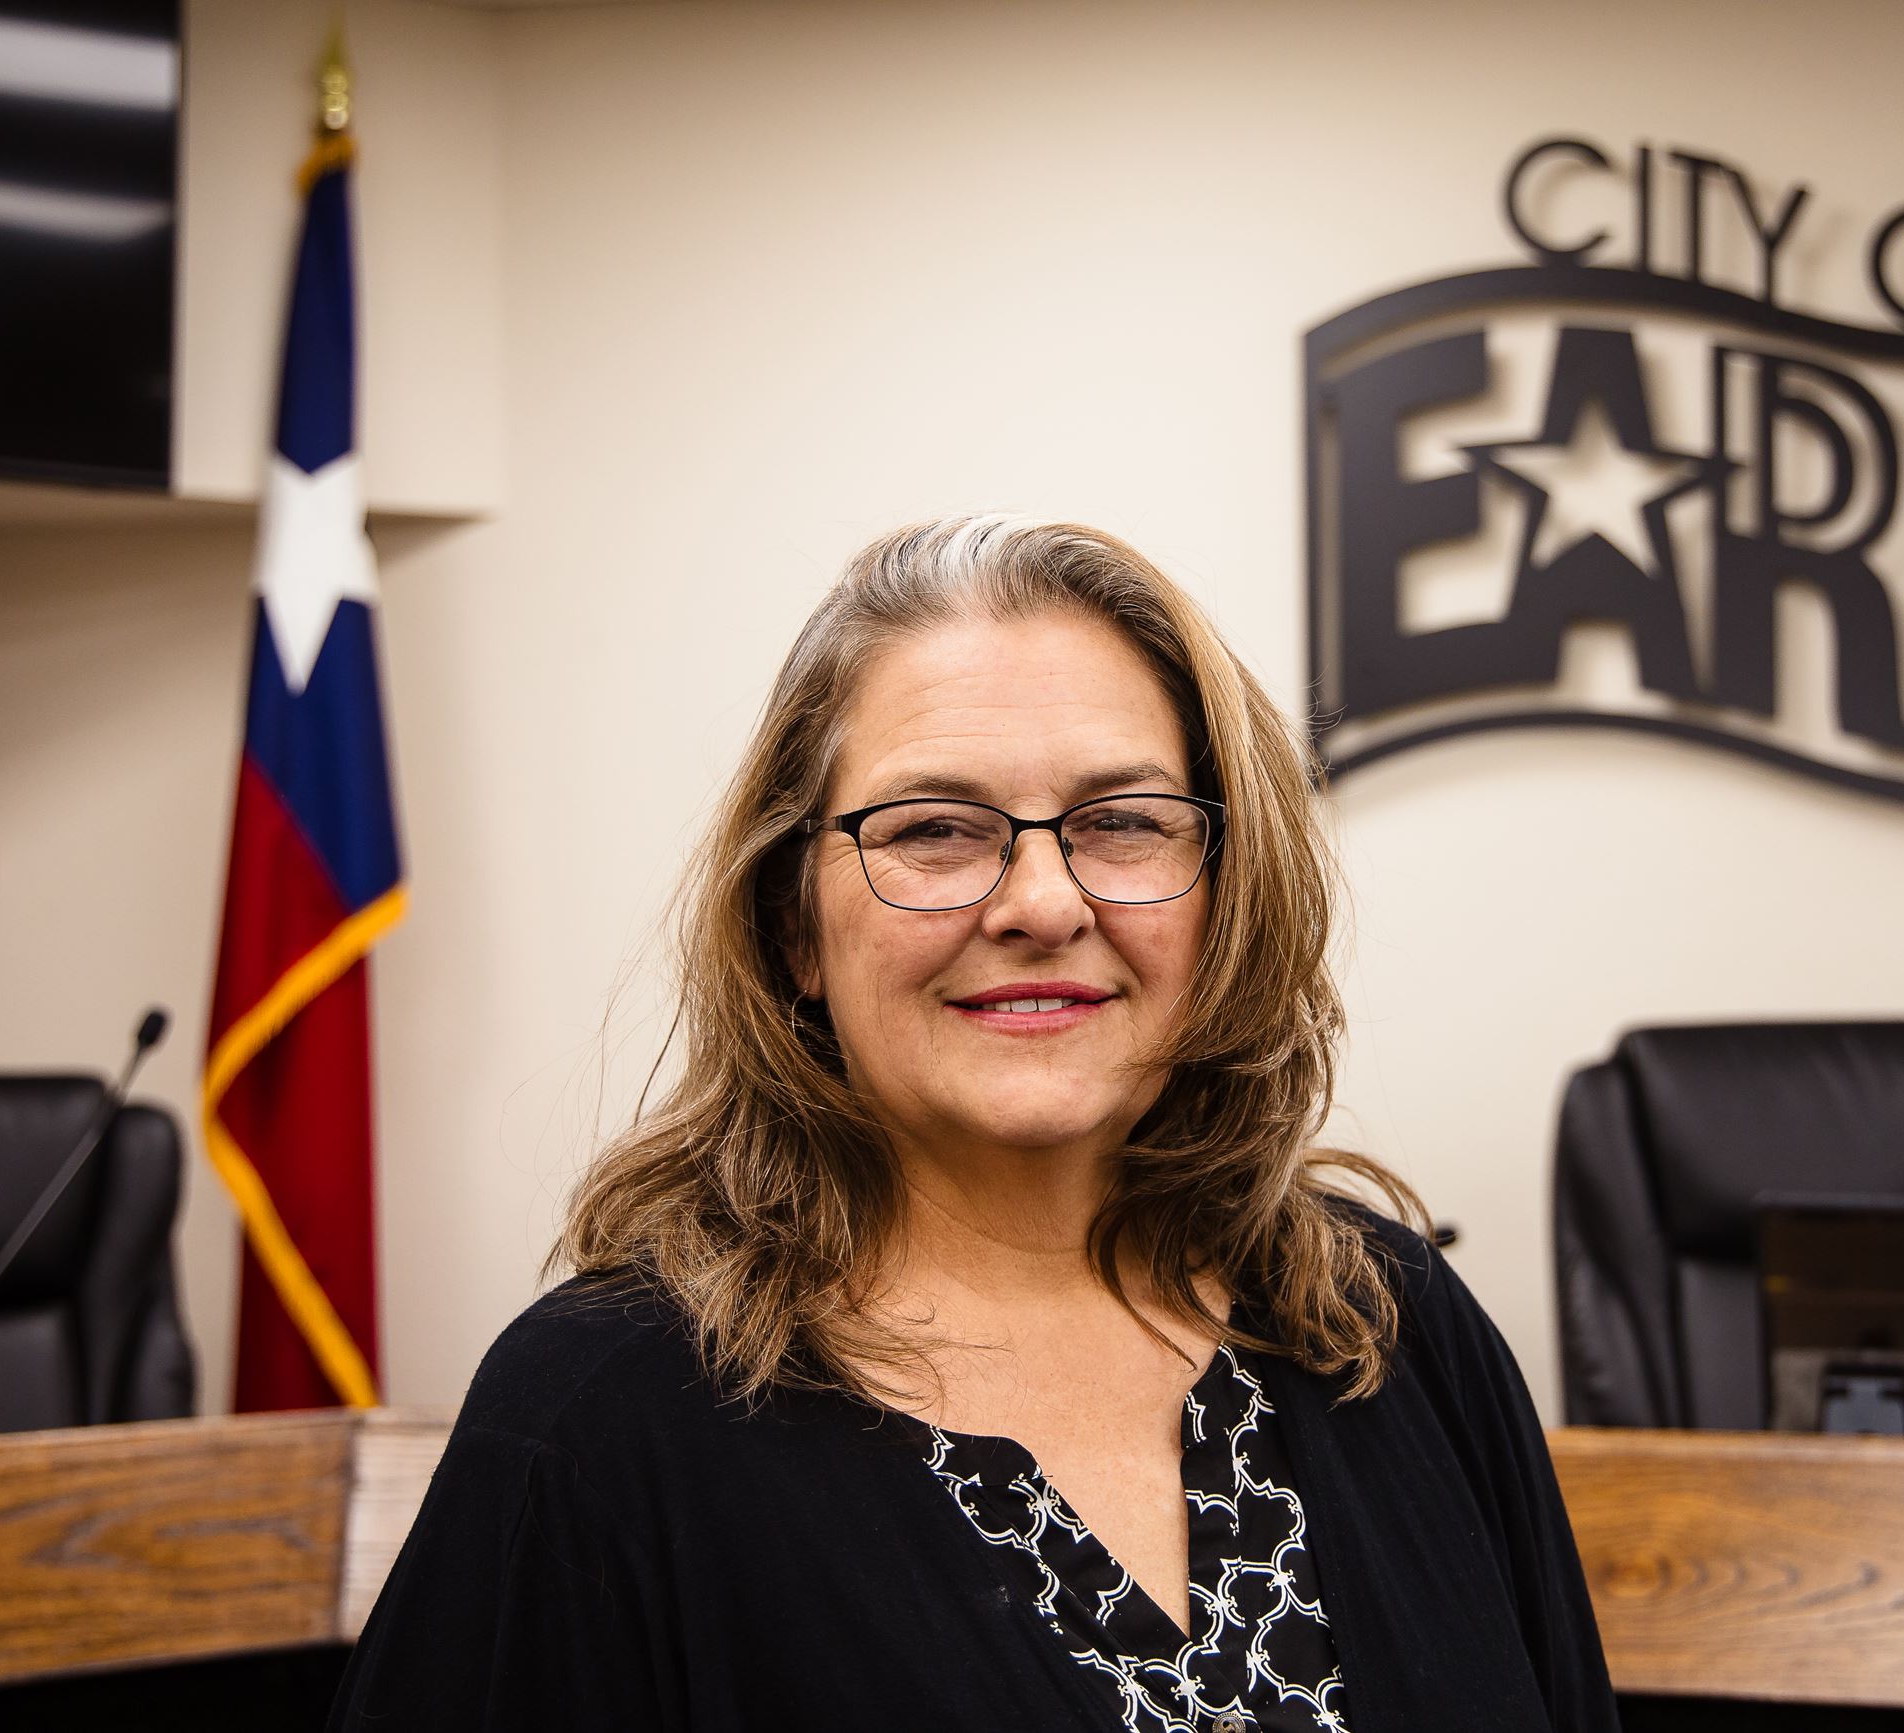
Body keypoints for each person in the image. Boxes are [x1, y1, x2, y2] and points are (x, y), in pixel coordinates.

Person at [330, 516, 1619, 1732]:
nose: (1044, 905)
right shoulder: (598, 1417)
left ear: (1226, 899)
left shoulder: (1385, 1318)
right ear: (794, 927)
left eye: (1122, 823)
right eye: (936, 831)